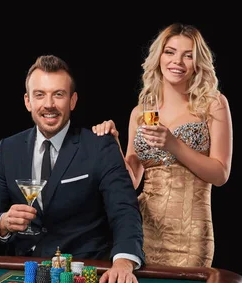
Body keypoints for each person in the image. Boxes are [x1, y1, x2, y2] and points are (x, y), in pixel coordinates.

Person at [0, 55, 145, 283]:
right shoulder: (8, 149)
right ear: (28, 101)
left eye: (58, 94)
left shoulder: (99, 146)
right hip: (22, 276)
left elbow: (125, 211)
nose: (49, 104)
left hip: (82, 277)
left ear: (72, 101)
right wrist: (3, 222)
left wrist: (124, 262)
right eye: (40, 94)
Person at [92, 23, 232, 268]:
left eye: (188, 55)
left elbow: (220, 174)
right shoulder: (142, 111)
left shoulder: (213, 104)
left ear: (198, 62)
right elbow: (132, 180)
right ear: (158, 57)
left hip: (190, 232)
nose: (177, 61)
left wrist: (173, 144)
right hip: (144, 225)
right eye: (170, 52)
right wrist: (113, 145)